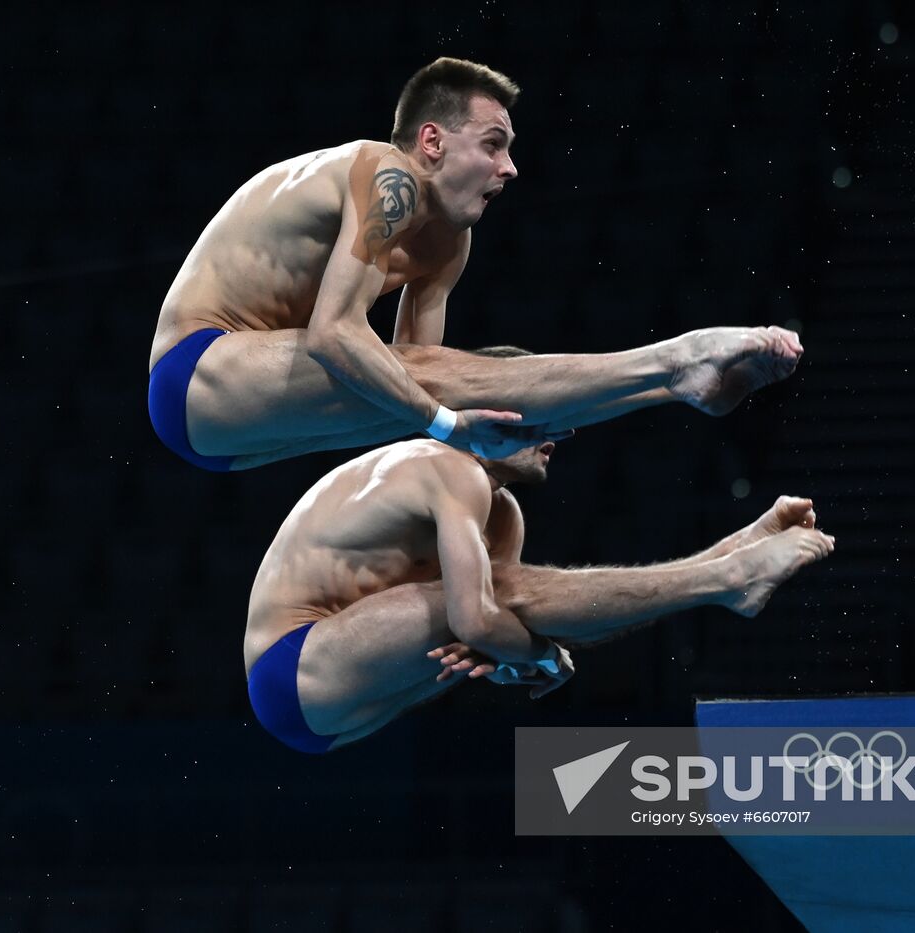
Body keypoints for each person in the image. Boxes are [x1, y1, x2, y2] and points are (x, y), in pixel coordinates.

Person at [148, 56, 803, 471]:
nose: (510, 168)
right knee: (457, 385)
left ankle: (674, 388)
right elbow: (335, 335)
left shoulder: (451, 240)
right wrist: (453, 427)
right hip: (197, 369)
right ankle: (677, 362)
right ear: (432, 140)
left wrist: (474, 433)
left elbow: (417, 384)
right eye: (493, 145)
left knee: (479, 378)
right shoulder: (388, 176)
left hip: (236, 436)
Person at [244, 385, 836, 753]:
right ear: (487, 414)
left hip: (349, 704)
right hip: (292, 666)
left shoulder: (504, 516)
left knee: (510, 601)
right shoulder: (449, 468)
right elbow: (482, 625)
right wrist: (533, 655)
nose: (562, 434)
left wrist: (524, 652)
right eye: (546, 416)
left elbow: (518, 631)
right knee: (495, 596)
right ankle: (727, 581)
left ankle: (726, 563)